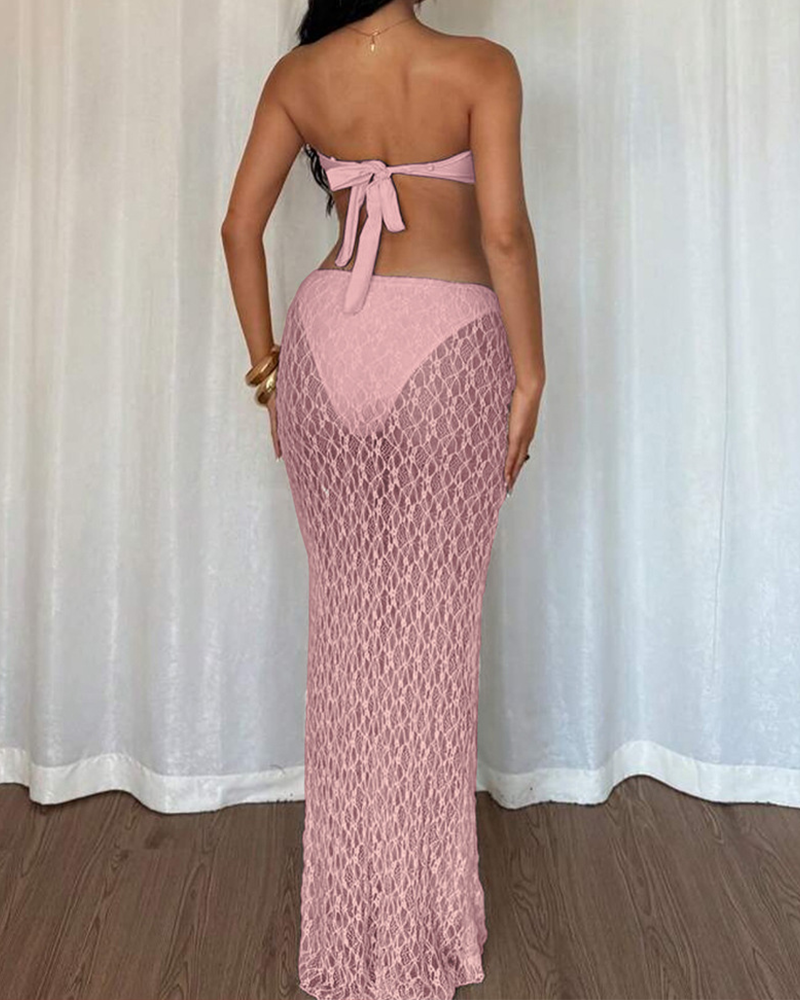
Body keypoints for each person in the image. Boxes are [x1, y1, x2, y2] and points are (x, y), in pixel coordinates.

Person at [221, 1, 545, 996]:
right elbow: (502, 234)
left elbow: (237, 229)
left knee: (348, 634)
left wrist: (269, 374)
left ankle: (348, 922)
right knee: (431, 643)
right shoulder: (480, 65)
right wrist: (531, 374)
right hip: (449, 342)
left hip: (326, 341)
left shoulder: (300, 76)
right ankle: (422, 926)